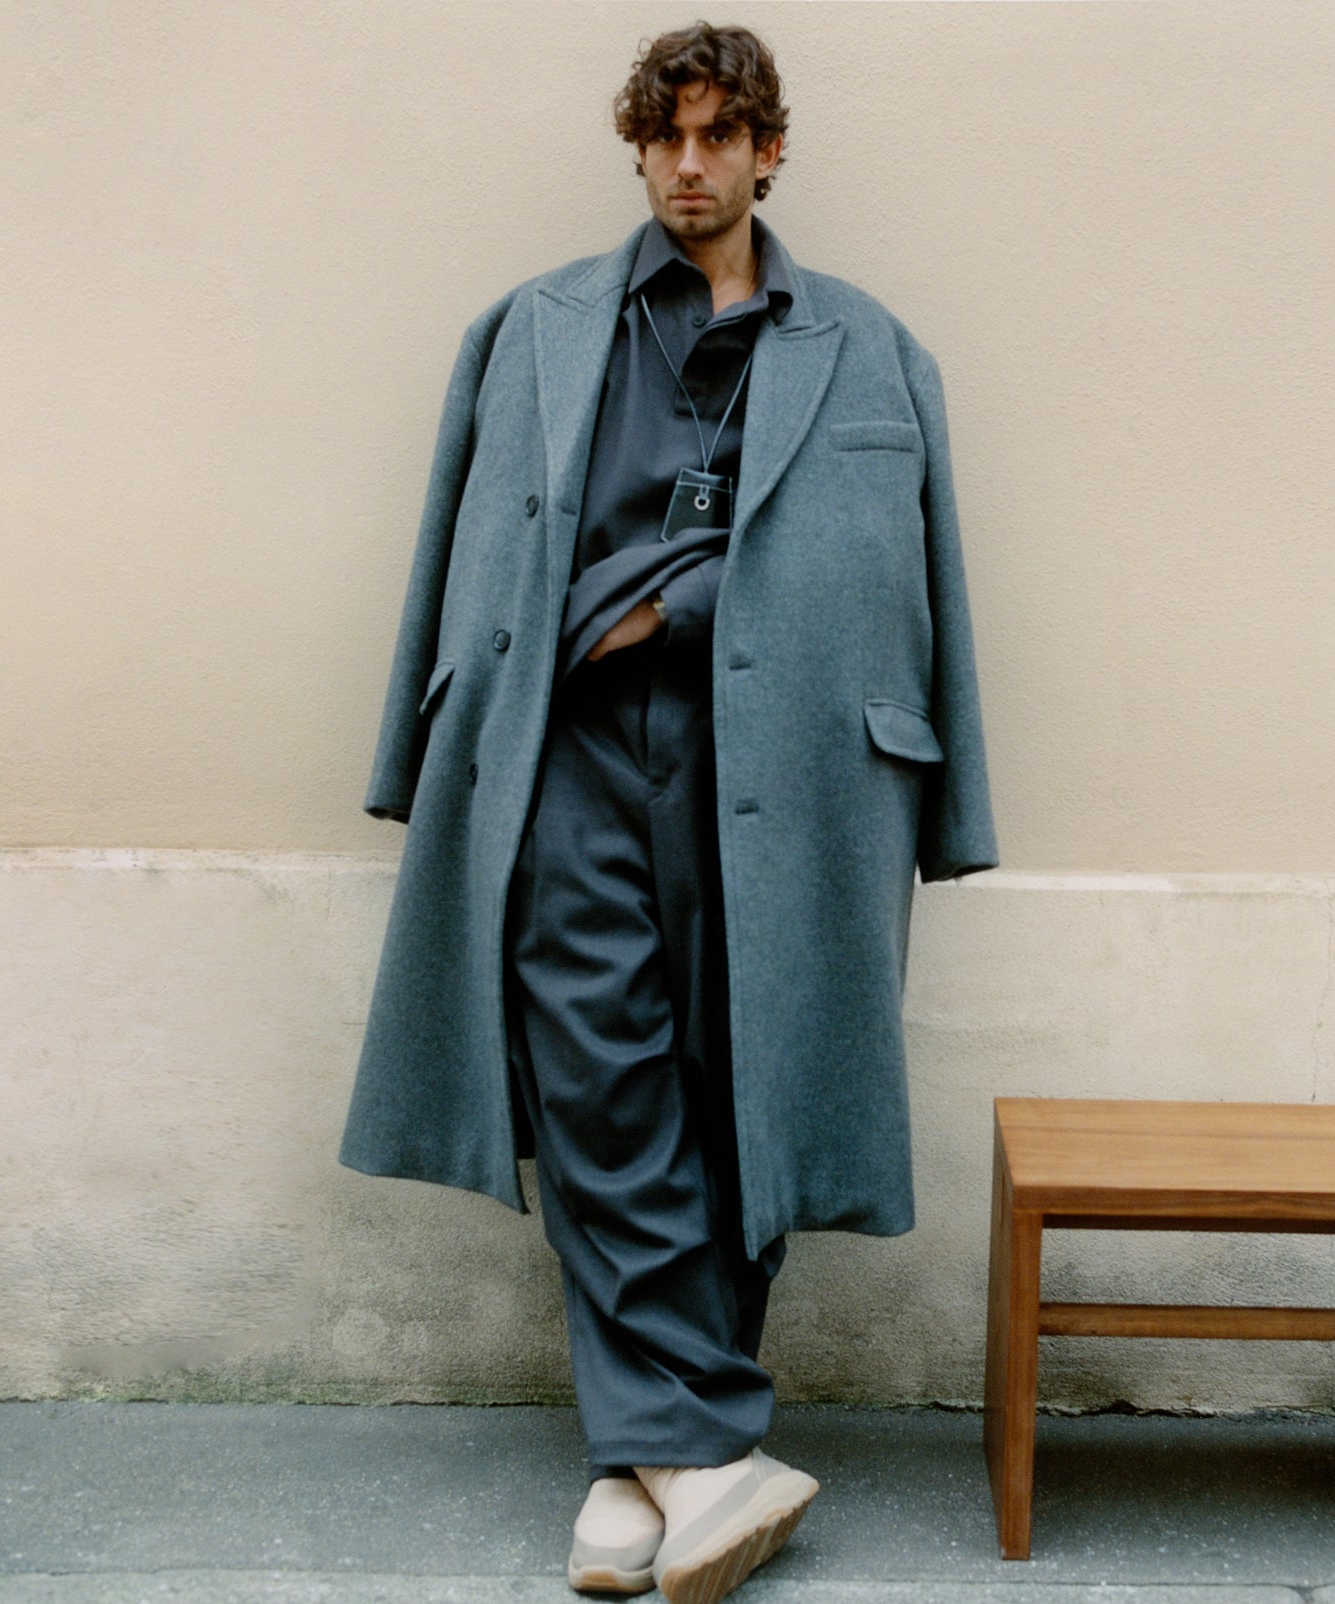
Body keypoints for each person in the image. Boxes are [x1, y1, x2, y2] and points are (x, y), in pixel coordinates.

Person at [336, 21, 995, 1602]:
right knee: (599, 1082)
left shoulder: (872, 347)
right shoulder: (534, 327)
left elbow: (921, 585)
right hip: (564, 756)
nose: (692, 164)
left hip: (782, 772)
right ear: (640, 150)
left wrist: (692, 609)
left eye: (723, 136)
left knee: (739, 1083)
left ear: (773, 150)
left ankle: (648, 1476)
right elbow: (454, 551)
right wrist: (414, 758)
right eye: (668, 137)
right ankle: (707, 1447)